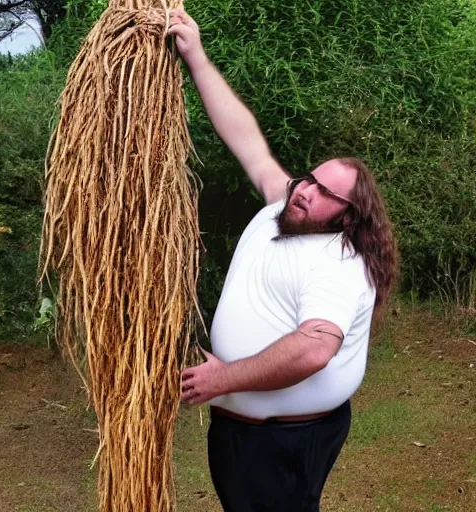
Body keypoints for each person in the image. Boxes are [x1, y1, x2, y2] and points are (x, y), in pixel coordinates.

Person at [169, 8, 398, 512]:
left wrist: (222, 380)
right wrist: (196, 56)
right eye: (310, 180)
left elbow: (313, 349)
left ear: (349, 217)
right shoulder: (285, 206)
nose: (306, 193)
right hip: (246, 437)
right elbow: (246, 141)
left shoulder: (340, 261)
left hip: (285, 444)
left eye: (324, 194)